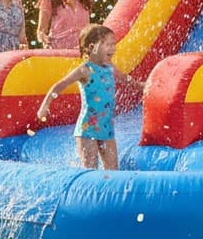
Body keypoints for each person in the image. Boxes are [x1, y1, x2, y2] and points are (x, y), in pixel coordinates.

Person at [36, 23, 144, 170]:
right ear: (93, 47)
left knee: (113, 169)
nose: (113, 48)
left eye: (114, 44)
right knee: (90, 169)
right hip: (87, 128)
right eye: (108, 44)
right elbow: (60, 85)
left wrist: (146, 86)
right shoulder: (85, 70)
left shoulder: (111, 68)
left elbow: (128, 81)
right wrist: (45, 106)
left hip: (107, 128)